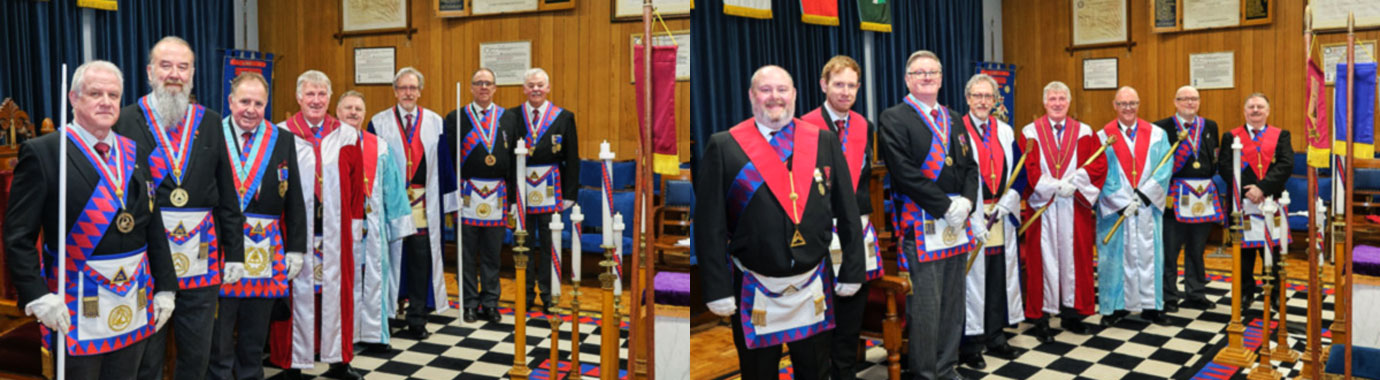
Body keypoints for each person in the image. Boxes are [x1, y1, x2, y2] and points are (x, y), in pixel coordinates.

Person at [5, 60, 176, 380]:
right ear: (73, 98)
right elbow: (18, 236)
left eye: (113, 95)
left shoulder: (134, 152)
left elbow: (152, 225)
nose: (106, 102)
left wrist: (166, 286)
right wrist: (38, 295)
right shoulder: (44, 152)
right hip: (75, 303)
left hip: (133, 297)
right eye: (96, 94)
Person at [696, 64, 864, 380]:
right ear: (751, 95)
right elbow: (709, 226)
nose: (775, 97)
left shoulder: (823, 141)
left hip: (813, 283)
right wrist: (717, 287)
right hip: (753, 285)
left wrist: (853, 269)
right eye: (766, 89)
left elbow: (848, 211)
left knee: (815, 372)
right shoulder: (724, 145)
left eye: (782, 89)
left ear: (794, 95)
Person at [110, 36, 246, 380]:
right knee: (147, 357)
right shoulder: (125, 120)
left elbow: (227, 193)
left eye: (183, 67)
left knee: (197, 352)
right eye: (166, 65)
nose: (174, 74)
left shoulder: (211, 121)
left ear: (193, 74)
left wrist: (235, 253)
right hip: (146, 259)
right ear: (149, 72)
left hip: (202, 255)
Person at [878, 50, 979, 380]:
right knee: (926, 307)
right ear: (907, 79)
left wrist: (967, 202)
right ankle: (924, 374)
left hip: (956, 224)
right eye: (919, 73)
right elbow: (904, 172)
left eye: (933, 72)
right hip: (921, 224)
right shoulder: (894, 118)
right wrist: (946, 207)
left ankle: (946, 367)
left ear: (941, 78)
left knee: (952, 303)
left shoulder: (954, 118)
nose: (927, 77)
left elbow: (970, 166)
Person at [207, 71, 308, 380]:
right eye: (244, 102)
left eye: (259, 103)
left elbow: (294, 196)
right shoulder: (212, 134)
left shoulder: (281, 139)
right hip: (221, 246)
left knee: (254, 334)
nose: (251, 109)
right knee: (219, 335)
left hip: (266, 249)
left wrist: (296, 249)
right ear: (230, 101)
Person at [268, 70, 367, 380]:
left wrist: (355, 226)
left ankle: (339, 360)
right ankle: (291, 362)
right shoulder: (281, 133)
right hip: (295, 232)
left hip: (336, 231)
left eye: (322, 94)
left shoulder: (347, 135)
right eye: (310, 94)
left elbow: (356, 187)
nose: (316, 100)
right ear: (298, 97)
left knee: (337, 294)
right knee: (296, 293)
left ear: (329, 98)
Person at [799, 55, 876, 380]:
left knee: (851, 311)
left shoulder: (864, 126)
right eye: (839, 84)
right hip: (820, 232)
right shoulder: (803, 127)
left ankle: (845, 373)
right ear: (824, 85)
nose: (845, 91)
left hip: (855, 229)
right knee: (820, 311)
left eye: (851, 85)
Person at [369, 67, 458, 338]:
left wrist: (450, 203)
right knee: (388, 258)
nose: (408, 93)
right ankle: (386, 315)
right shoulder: (378, 122)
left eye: (413, 88)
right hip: (391, 204)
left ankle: (417, 317)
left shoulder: (435, 121)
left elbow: (444, 164)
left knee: (420, 259)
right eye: (403, 88)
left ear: (420, 91)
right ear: (395, 92)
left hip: (423, 203)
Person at [1019, 81, 1105, 342]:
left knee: (1075, 259)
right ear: (1044, 103)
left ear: (1069, 102)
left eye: (1061, 99)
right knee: (1040, 261)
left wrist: (1075, 183)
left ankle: (1072, 313)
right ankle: (1041, 318)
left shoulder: (1085, 132)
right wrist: (1055, 186)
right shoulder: (1030, 132)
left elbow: (1098, 165)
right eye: (1052, 99)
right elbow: (1027, 168)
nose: (1057, 104)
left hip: (1073, 206)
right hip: (1042, 208)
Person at [957, 74, 1026, 370]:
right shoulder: (957, 130)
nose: (983, 101)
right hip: (971, 216)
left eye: (988, 96)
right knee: (972, 280)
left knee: (998, 276)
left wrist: (1009, 200)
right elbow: (955, 175)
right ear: (968, 98)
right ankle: (971, 344)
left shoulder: (1006, 131)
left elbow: (1021, 172)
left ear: (996, 100)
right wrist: (972, 210)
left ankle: (996, 336)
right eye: (977, 96)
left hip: (1000, 214)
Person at [338, 90, 415, 354]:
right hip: (338, 225)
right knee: (342, 279)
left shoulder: (379, 146)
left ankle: (373, 334)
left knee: (374, 277)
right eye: (348, 108)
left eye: (358, 109)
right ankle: (342, 335)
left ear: (364, 114)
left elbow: (392, 186)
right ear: (337, 112)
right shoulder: (327, 144)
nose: (353, 113)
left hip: (372, 224)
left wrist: (399, 224)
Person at [499, 68, 578, 313]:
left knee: (549, 244)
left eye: (540, 85)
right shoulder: (511, 116)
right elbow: (507, 159)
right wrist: (510, 196)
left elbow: (572, 158)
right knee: (522, 243)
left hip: (551, 189)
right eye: (531, 85)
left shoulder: (564, 117)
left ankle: (548, 293)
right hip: (520, 188)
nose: (536, 89)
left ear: (548, 88)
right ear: (524, 89)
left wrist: (569, 194)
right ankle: (524, 293)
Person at [1096, 86, 1173, 327]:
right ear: (1114, 105)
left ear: (1139, 105)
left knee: (1151, 256)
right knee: (1113, 259)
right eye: (1122, 104)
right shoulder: (1102, 136)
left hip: (1146, 207)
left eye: (1132, 103)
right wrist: (1121, 201)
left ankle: (1152, 307)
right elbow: (1100, 173)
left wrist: (1144, 194)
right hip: (1116, 211)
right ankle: (1114, 306)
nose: (1128, 108)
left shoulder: (1157, 135)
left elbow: (1165, 168)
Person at [446, 68, 513, 324]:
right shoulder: (456, 117)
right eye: (478, 83)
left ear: (495, 88)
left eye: (488, 83)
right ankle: (469, 303)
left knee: (492, 254)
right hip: (467, 194)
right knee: (466, 254)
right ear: (471, 87)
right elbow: (449, 160)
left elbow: (513, 160)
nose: (483, 87)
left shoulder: (508, 118)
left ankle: (491, 302)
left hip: (497, 195)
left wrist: (513, 200)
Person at [1218, 93, 1293, 318]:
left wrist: (1262, 188)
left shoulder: (1281, 135)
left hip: (1272, 201)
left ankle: (1276, 293)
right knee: (1244, 254)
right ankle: (1245, 293)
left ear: (1268, 111)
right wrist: (1248, 191)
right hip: (1242, 203)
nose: (1256, 110)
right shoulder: (1231, 136)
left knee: (1275, 252)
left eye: (1260, 107)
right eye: (1251, 107)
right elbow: (1225, 167)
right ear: (1244, 111)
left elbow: (1286, 165)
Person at [1153, 85, 1222, 313]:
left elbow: (1213, 159)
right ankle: (1169, 296)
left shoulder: (1210, 126)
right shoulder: (1161, 127)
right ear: (1175, 102)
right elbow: (1158, 164)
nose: (1190, 103)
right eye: (1184, 99)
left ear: (1199, 102)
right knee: (1170, 250)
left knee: (1197, 248)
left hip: (1202, 196)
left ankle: (1196, 293)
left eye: (1194, 98)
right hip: (1175, 196)